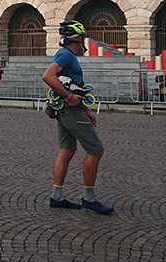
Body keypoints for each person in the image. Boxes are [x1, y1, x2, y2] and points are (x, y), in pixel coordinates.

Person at [41, 21, 114, 214]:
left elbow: (74, 84)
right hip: (69, 110)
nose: (84, 44)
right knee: (96, 150)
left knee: (66, 151)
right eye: (82, 39)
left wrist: (86, 109)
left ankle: (57, 197)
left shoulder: (68, 55)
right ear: (78, 39)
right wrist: (69, 96)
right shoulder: (66, 54)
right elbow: (48, 76)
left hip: (69, 110)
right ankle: (89, 198)